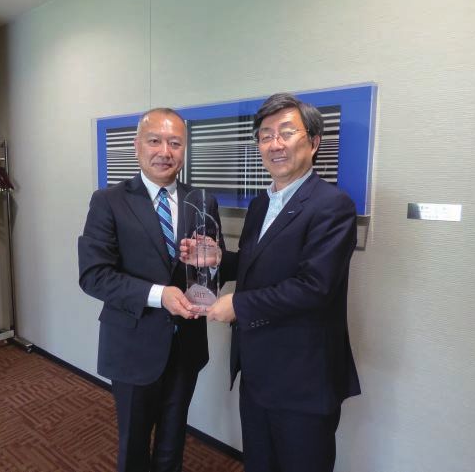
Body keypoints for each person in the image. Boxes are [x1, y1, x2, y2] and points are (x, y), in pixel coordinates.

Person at [202, 93, 361, 472]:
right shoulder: (262, 204)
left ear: (313, 142)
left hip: (303, 375)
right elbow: (258, 266)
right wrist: (219, 259)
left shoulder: (332, 205)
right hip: (257, 367)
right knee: (259, 462)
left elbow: (314, 287)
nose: (274, 144)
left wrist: (237, 304)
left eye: (286, 133)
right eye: (265, 136)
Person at [78, 108, 223, 472]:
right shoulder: (108, 201)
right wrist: (160, 295)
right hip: (132, 345)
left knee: (173, 444)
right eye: (155, 141)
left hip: (186, 345)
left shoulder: (202, 201)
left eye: (175, 143)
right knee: (134, 446)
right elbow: (94, 275)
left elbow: (210, 269)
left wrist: (213, 263)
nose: (165, 152)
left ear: (185, 148)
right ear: (137, 145)